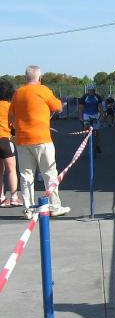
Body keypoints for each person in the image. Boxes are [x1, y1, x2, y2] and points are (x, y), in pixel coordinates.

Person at [8, 66, 69, 218]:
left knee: (26, 175)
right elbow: (58, 107)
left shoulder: (18, 93)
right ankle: (54, 206)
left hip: (22, 140)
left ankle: (28, 209)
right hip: (42, 139)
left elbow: (11, 116)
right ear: (40, 78)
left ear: (26, 78)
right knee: (49, 173)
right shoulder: (43, 90)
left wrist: (17, 128)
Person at [0, 81, 21, 208]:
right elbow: (14, 124)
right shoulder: (9, 106)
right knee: (11, 170)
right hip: (5, 139)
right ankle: (14, 197)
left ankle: (1, 197)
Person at [78, 83, 104, 153]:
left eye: (93, 90)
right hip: (86, 114)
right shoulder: (84, 97)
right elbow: (81, 108)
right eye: (90, 90)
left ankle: (97, 145)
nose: (91, 91)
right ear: (88, 90)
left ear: (94, 90)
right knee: (86, 126)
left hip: (95, 114)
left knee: (97, 131)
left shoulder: (97, 97)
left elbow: (101, 107)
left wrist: (102, 115)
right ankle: (85, 137)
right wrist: (81, 117)